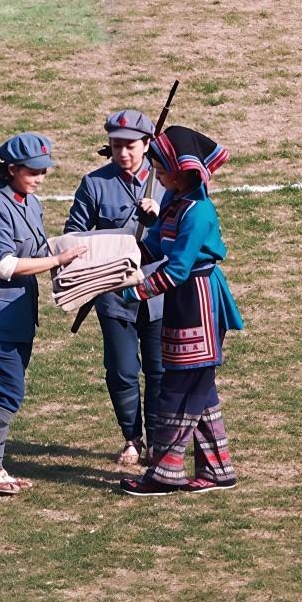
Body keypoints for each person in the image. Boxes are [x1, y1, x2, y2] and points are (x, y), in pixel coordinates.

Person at [0, 132, 87, 494]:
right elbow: (4, 266)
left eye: (43, 171)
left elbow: (37, 250)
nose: (40, 178)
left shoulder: (30, 202)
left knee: (5, 390)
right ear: (12, 168)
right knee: (7, 390)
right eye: (33, 171)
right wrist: (57, 260)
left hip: (17, 314)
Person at [118, 126, 244, 496]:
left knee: (180, 388)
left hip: (199, 301)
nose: (156, 176)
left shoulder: (198, 212)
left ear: (180, 172)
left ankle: (164, 473)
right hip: (181, 300)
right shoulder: (174, 203)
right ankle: (218, 470)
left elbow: (177, 269)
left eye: (160, 170)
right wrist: (114, 263)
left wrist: (136, 291)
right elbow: (154, 247)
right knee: (197, 388)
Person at [64, 110, 166, 465]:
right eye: (116, 145)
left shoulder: (166, 181)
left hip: (158, 290)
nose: (123, 153)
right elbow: (74, 235)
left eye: (130, 146)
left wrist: (160, 216)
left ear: (147, 145)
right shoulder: (94, 184)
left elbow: (186, 231)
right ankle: (131, 438)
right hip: (114, 293)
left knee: (159, 369)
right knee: (122, 370)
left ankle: (157, 441)